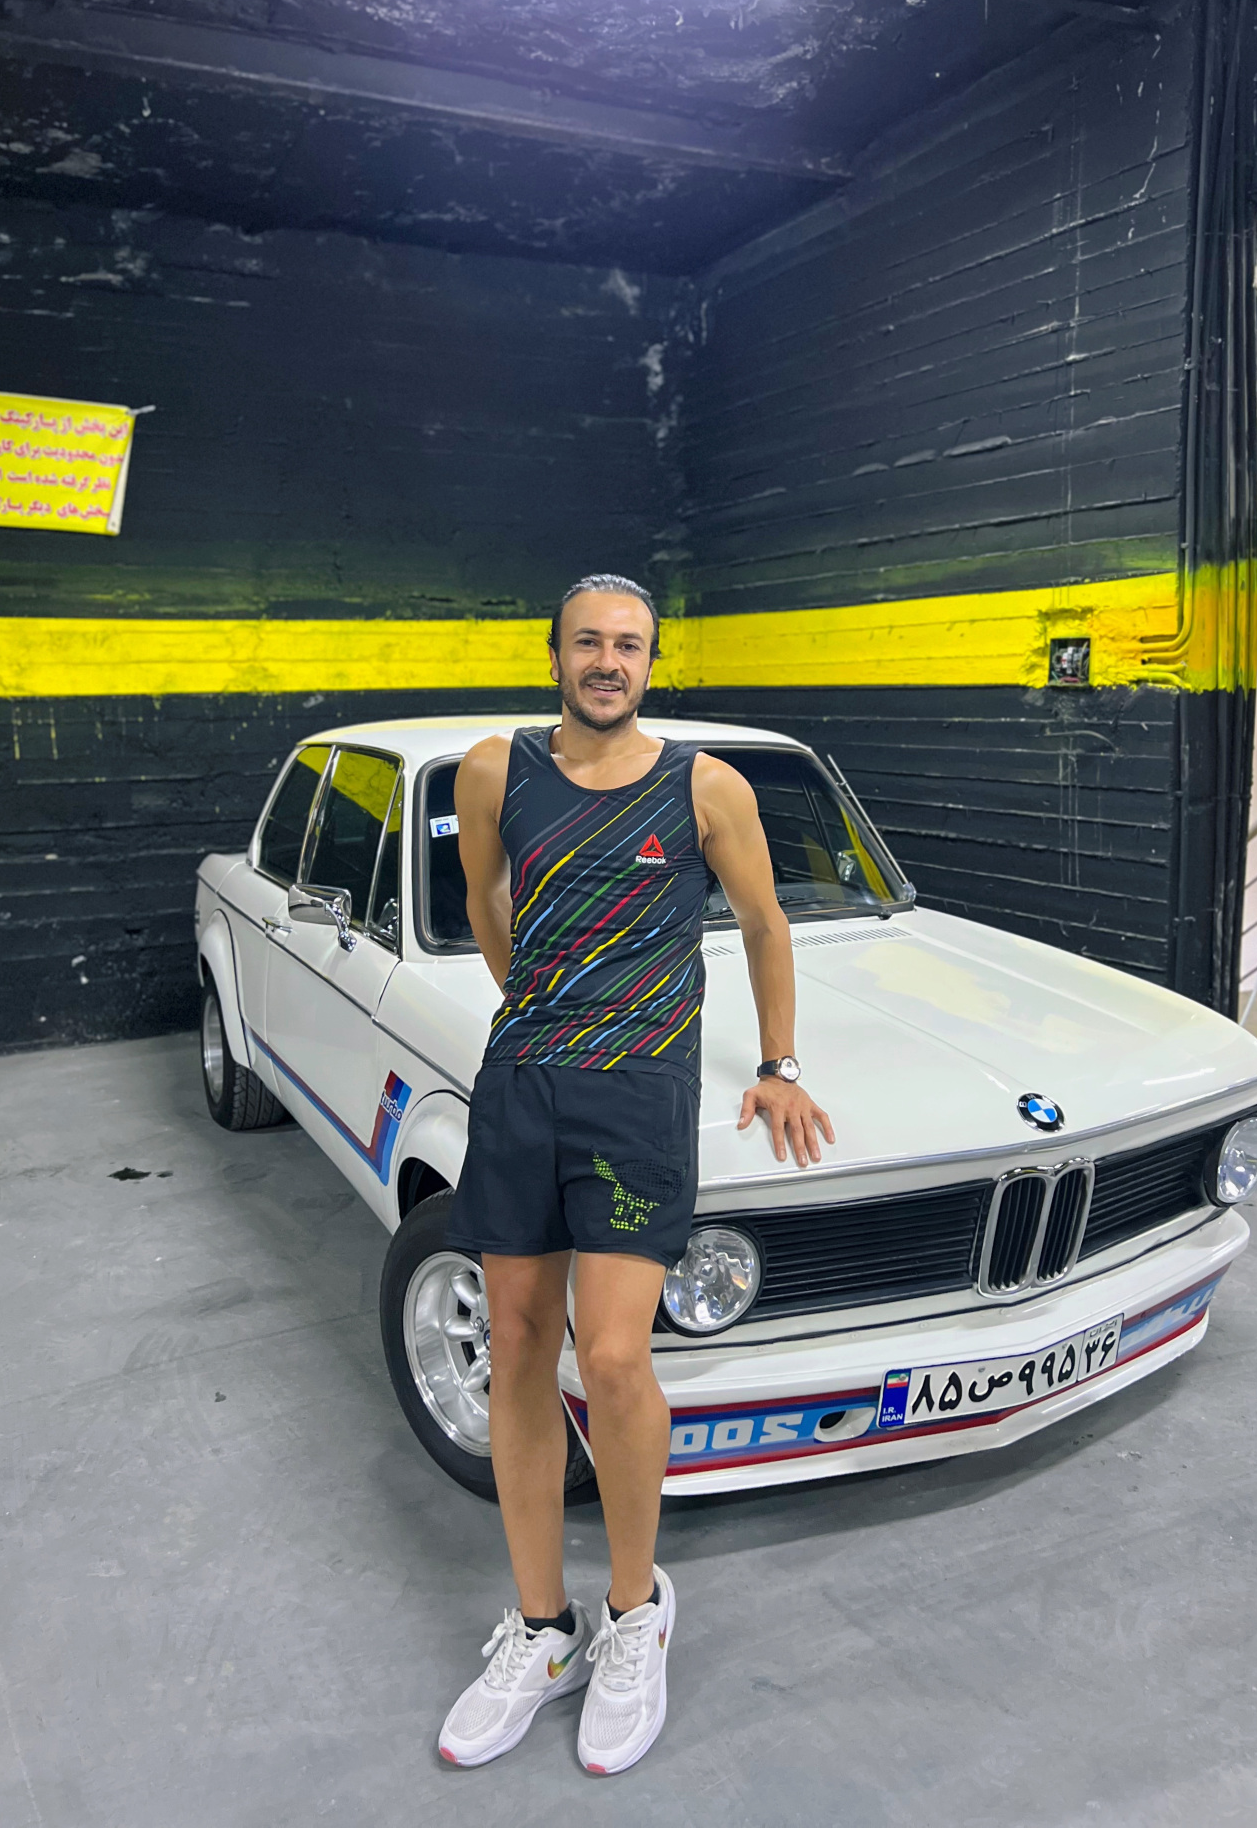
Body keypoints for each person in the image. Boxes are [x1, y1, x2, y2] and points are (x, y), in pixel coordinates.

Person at [438, 573, 833, 1776]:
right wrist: (536, 1001)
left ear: (652, 663)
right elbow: (485, 899)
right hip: (524, 1081)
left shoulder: (705, 787)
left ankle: (633, 1612)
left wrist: (778, 1063)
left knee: (611, 1357)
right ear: (553, 654)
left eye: (629, 645)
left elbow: (764, 924)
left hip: (638, 1095)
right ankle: (542, 1628)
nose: (608, 661)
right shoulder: (494, 770)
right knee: (515, 1341)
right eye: (588, 643)